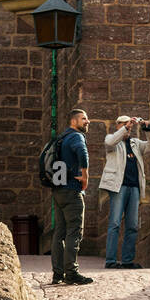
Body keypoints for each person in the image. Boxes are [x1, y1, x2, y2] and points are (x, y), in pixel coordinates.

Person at [99, 114, 150, 269]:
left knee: (132, 225)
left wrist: (148, 129)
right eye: (124, 125)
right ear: (118, 125)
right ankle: (111, 261)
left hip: (134, 188)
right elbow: (111, 141)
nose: (129, 127)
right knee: (115, 223)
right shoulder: (111, 140)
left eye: (129, 125)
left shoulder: (136, 143)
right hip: (118, 187)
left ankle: (127, 260)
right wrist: (126, 127)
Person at [51, 108, 93, 286]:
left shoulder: (61, 138)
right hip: (72, 190)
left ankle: (57, 274)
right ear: (74, 121)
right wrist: (85, 175)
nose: (87, 121)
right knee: (74, 232)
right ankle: (72, 272)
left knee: (59, 233)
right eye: (84, 118)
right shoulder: (76, 136)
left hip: (58, 191)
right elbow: (82, 153)